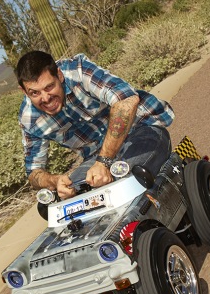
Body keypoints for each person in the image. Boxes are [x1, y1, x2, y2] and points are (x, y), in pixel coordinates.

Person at [15, 50, 175, 200]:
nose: (45, 98)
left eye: (49, 87)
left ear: (59, 75)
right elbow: (34, 172)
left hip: (140, 131)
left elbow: (126, 101)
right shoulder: (29, 119)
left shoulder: (77, 70)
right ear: (24, 91)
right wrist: (55, 181)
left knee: (122, 184)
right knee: (75, 197)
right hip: (94, 159)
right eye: (34, 93)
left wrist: (104, 162)